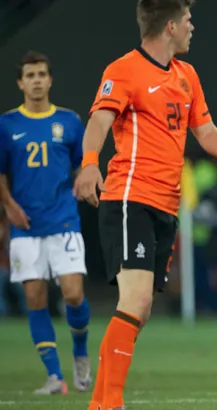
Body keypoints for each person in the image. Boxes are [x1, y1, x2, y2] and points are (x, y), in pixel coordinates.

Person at [73, 1, 217, 409]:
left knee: (141, 310)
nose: (192, 26)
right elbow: (99, 121)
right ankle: (110, 402)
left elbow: (202, 128)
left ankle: (100, 401)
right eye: (187, 19)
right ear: (169, 26)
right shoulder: (123, 70)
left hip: (165, 205)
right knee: (137, 302)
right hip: (131, 197)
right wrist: (89, 164)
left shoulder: (187, 76)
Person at [0, 51, 92, 395]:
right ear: (20, 83)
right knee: (35, 298)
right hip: (25, 226)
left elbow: (85, 163)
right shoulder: (6, 125)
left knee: (73, 293)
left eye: (42, 74)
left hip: (63, 220)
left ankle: (80, 352)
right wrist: (8, 206)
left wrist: (85, 182)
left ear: (50, 80)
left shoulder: (69, 122)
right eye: (30, 75)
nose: (37, 80)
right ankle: (55, 377)